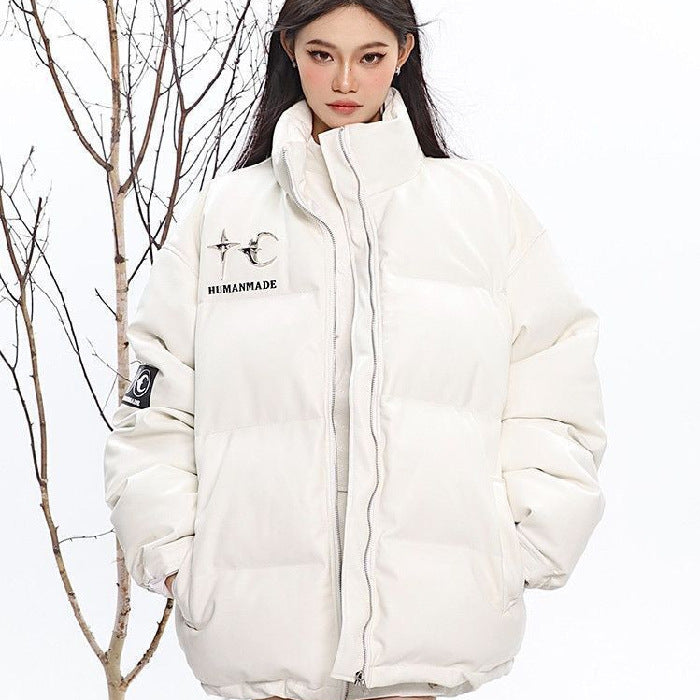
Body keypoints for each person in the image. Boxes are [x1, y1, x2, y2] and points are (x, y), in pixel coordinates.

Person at [103, 1, 608, 699]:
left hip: (434, 621)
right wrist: (173, 552)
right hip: (258, 631)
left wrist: (524, 542)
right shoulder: (224, 216)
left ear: (403, 53)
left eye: (369, 56)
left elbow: (554, 377)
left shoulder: (481, 211)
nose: (345, 80)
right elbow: (155, 402)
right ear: (289, 49)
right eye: (322, 54)